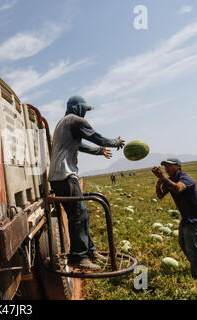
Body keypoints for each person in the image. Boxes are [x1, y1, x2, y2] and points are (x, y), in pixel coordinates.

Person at [48, 96, 125, 270]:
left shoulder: (64, 123)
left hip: (60, 176)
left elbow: (79, 145)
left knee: (83, 214)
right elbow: (97, 137)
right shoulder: (76, 120)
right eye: (85, 109)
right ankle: (78, 257)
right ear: (78, 107)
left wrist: (99, 152)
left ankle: (89, 251)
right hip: (65, 175)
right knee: (78, 215)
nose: (85, 112)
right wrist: (115, 142)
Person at [152, 158, 197, 282]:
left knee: (194, 248)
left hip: (195, 219)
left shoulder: (186, 178)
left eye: (169, 165)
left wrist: (163, 177)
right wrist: (159, 182)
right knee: (184, 244)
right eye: (165, 166)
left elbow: (177, 188)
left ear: (178, 166)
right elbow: (160, 195)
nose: (167, 168)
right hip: (186, 218)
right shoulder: (171, 180)